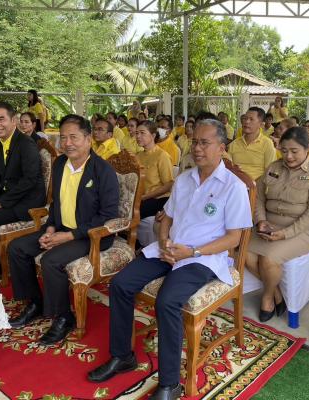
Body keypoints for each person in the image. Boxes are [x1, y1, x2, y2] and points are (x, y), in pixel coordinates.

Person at [87, 119, 252, 400]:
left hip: (202, 257)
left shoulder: (233, 187)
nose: (197, 148)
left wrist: (192, 252)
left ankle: (170, 384)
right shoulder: (184, 180)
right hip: (169, 250)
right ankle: (122, 356)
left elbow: (234, 238)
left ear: (222, 148)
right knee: (121, 284)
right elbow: (167, 217)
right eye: (195, 142)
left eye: (205, 143)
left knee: (167, 301)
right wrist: (163, 241)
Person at [8, 114, 119, 345]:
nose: (67, 143)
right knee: (17, 248)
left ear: (88, 139)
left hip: (92, 234)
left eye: (74, 137)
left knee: (51, 260)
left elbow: (107, 216)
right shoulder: (60, 164)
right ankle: (35, 302)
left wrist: (68, 236)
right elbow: (56, 204)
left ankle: (64, 317)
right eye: (63, 137)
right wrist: (50, 229)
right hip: (60, 227)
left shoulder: (103, 170)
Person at [246, 127, 309, 322]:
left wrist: (285, 233)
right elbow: (258, 197)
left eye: (294, 151)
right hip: (269, 224)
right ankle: (276, 292)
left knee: (268, 259)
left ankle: (267, 298)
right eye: (284, 151)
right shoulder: (274, 167)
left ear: (307, 149)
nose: (288, 156)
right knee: (242, 252)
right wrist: (261, 220)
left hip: (303, 230)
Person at [0, 102, 46, 280]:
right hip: (8, 195)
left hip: (27, 201)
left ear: (13, 121)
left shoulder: (26, 144)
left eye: (1, 119)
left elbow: (29, 180)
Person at [136, 121, 174, 219]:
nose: (138, 136)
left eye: (142, 133)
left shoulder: (162, 155)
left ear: (153, 135)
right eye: (137, 133)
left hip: (158, 199)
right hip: (141, 198)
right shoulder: (138, 156)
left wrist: (144, 197)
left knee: (133, 211)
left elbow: (168, 185)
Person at [228, 107, 276, 180]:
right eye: (245, 118)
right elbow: (228, 168)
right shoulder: (234, 144)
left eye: (251, 119)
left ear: (261, 124)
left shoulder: (267, 144)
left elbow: (271, 172)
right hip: (235, 184)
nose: (246, 122)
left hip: (258, 185)